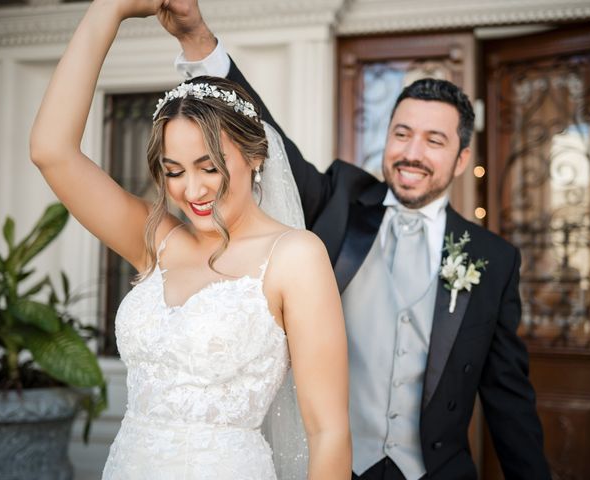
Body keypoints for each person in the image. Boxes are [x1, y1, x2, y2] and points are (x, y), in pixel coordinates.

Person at [159, 2, 552, 479]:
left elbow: (508, 397)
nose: (412, 152)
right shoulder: (340, 200)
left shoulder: (494, 259)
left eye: (434, 140)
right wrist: (198, 40)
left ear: (462, 156)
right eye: (402, 133)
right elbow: (268, 136)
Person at [29, 0, 352, 478]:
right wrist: (109, 10)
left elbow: (328, 432)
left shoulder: (295, 257)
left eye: (210, 167)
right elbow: (51, 151)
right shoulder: (158, 239)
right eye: (173, 172)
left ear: (254, 156)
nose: (193, 191)